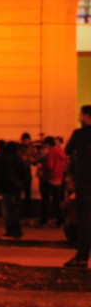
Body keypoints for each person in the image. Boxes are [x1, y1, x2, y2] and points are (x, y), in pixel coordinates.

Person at [63, 105, 91, 269]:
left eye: (80, 115)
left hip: (85, 179)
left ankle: (81, 257)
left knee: (85, 218)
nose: (78, 117)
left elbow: (68, 149)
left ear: (87, 116)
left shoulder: (80, 134)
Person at [0, 141, 25, 238]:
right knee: (15, 210)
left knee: (8, 211)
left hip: (7, 188)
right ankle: (17, 230)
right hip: (17, 187)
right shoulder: (18, 159)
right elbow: (24, 173)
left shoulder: (3, 159)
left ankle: (10, 230)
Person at [37, 136, 67, 228]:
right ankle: (60, 221)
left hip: (49, 178)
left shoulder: (51, 152)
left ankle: (44, 221)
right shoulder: (61, 152)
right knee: (57, 201)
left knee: (45, 200)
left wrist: (41, 167)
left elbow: (49, 166)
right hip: (59, 178)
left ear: (48, 144)